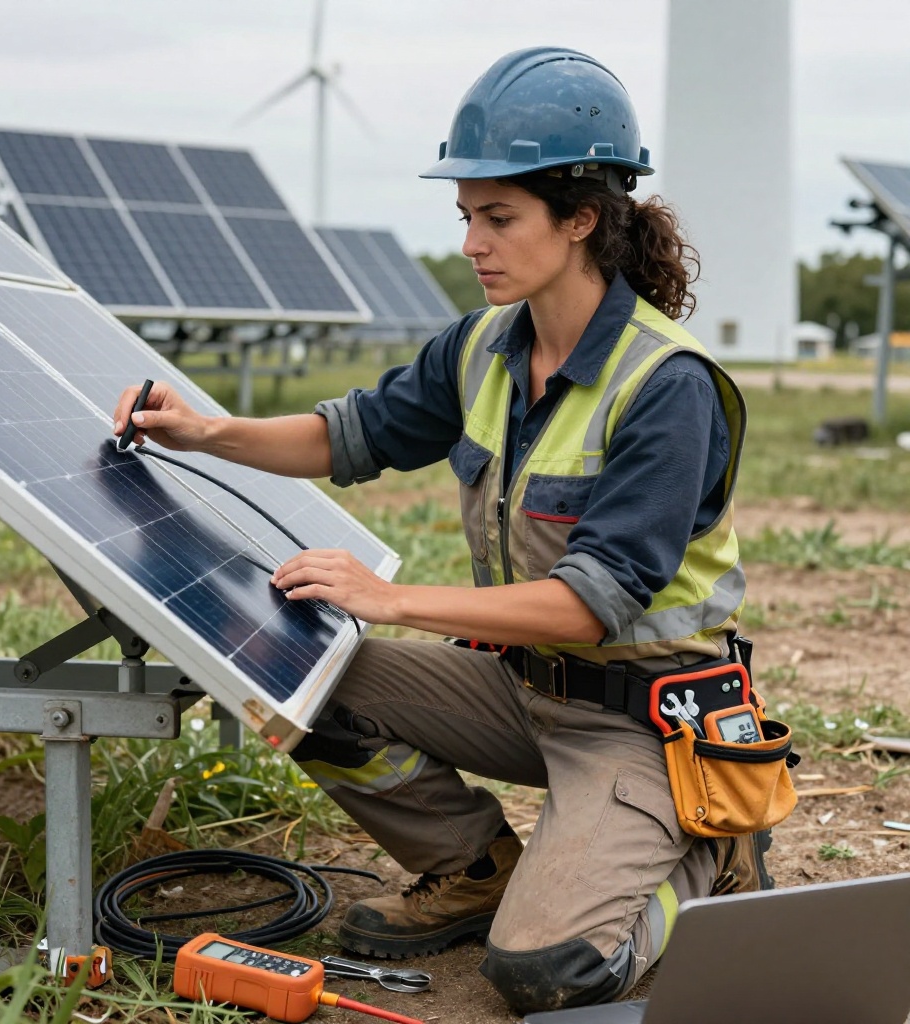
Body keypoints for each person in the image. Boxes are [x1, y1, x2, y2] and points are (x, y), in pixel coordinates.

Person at [113, 47, 771, 1015]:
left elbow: (591, 603)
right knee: (284, 668)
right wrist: (208, 430)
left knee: (549, 974)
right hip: (521, 691)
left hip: (642, 722)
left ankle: (707, 859)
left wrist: (388, 598)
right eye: (467, 216)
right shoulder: (481, 347)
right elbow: (351, 435)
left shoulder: (665, 386)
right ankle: (473, 864)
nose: (472, 241)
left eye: (497, 217)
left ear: (580, 217)